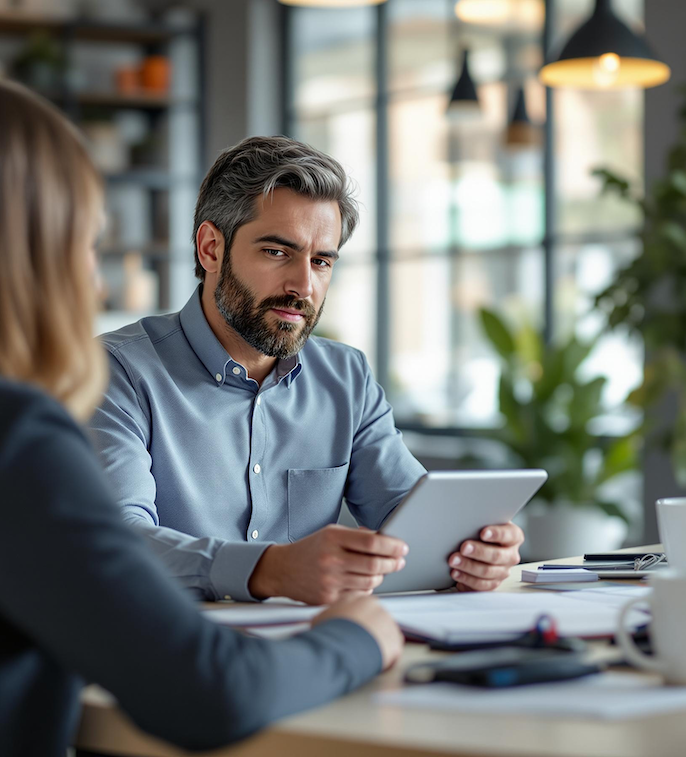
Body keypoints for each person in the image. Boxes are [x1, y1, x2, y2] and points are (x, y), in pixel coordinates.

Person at [0, 72, 403, 757]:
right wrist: (356, 637)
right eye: (84, 242)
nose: (94, 279)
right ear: (21, 253)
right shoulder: (1, 435)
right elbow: (208, 691)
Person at [89, 135, 525, 606]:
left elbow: (410, 514)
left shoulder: (347, 377)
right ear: (211, 249)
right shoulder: (115, 372)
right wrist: (267, 571)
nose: (303, 285)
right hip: (171, 650)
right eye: (277, 252)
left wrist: (476, 550)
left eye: (321, 261)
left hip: (315, 642)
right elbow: (117, 541)